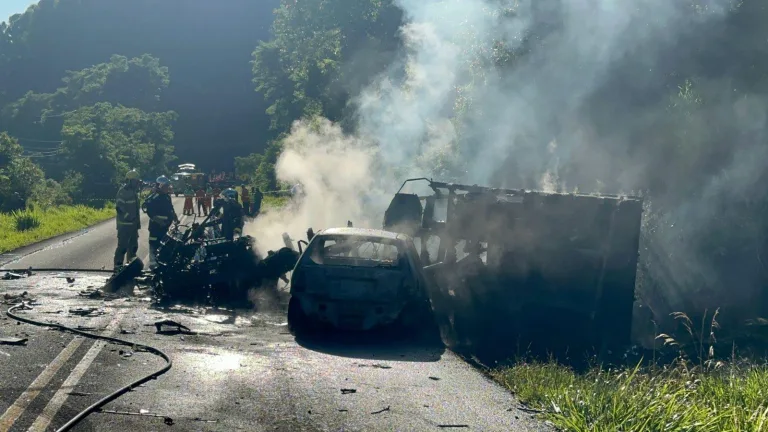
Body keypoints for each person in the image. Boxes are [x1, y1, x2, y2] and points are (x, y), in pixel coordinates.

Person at [142, 176, 180, 269]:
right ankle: (153, 264)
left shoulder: (167, 197)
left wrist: (175, 218)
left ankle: (162, 262)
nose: (168, 188)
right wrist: (159, 221)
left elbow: (171, 209)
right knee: (154, 245)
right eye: (166, 186)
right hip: (156, 227)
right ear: (160, 186)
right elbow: (149, 210)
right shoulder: (154, 197)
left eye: (168, 186)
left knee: (163, 245)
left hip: (165, 227)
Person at [113, 169, 141, 272]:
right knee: (123, 247)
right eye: (135, 181)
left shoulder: (134, 192)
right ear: (129, 181)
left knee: (133, 246)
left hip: (133, 225)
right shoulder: (123, 191)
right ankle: (117, 266)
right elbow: (119, 208)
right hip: (124, 225)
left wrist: (136, 222)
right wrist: (128, 217)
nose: (137, 183)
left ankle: (130, 265)